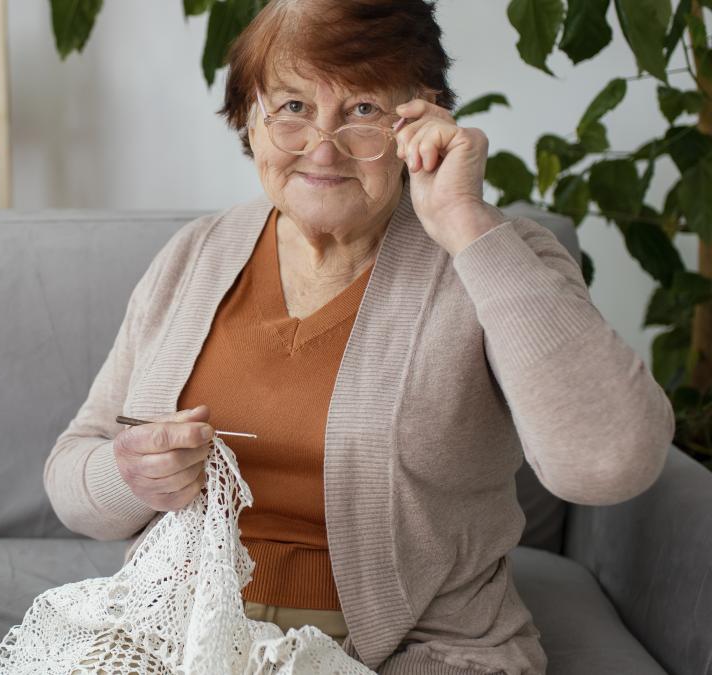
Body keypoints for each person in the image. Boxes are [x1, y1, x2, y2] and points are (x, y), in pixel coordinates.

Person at [44, 1, 674, 672]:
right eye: (291, 107)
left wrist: (464, 223)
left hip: (419, 649)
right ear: (249, 117)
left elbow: (613, 463)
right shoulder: (192, 256)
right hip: (176, 634)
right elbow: (71, 476)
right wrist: (129, 472)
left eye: (363, 109)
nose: (322, 147)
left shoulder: (497, 257)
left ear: (420, 116)